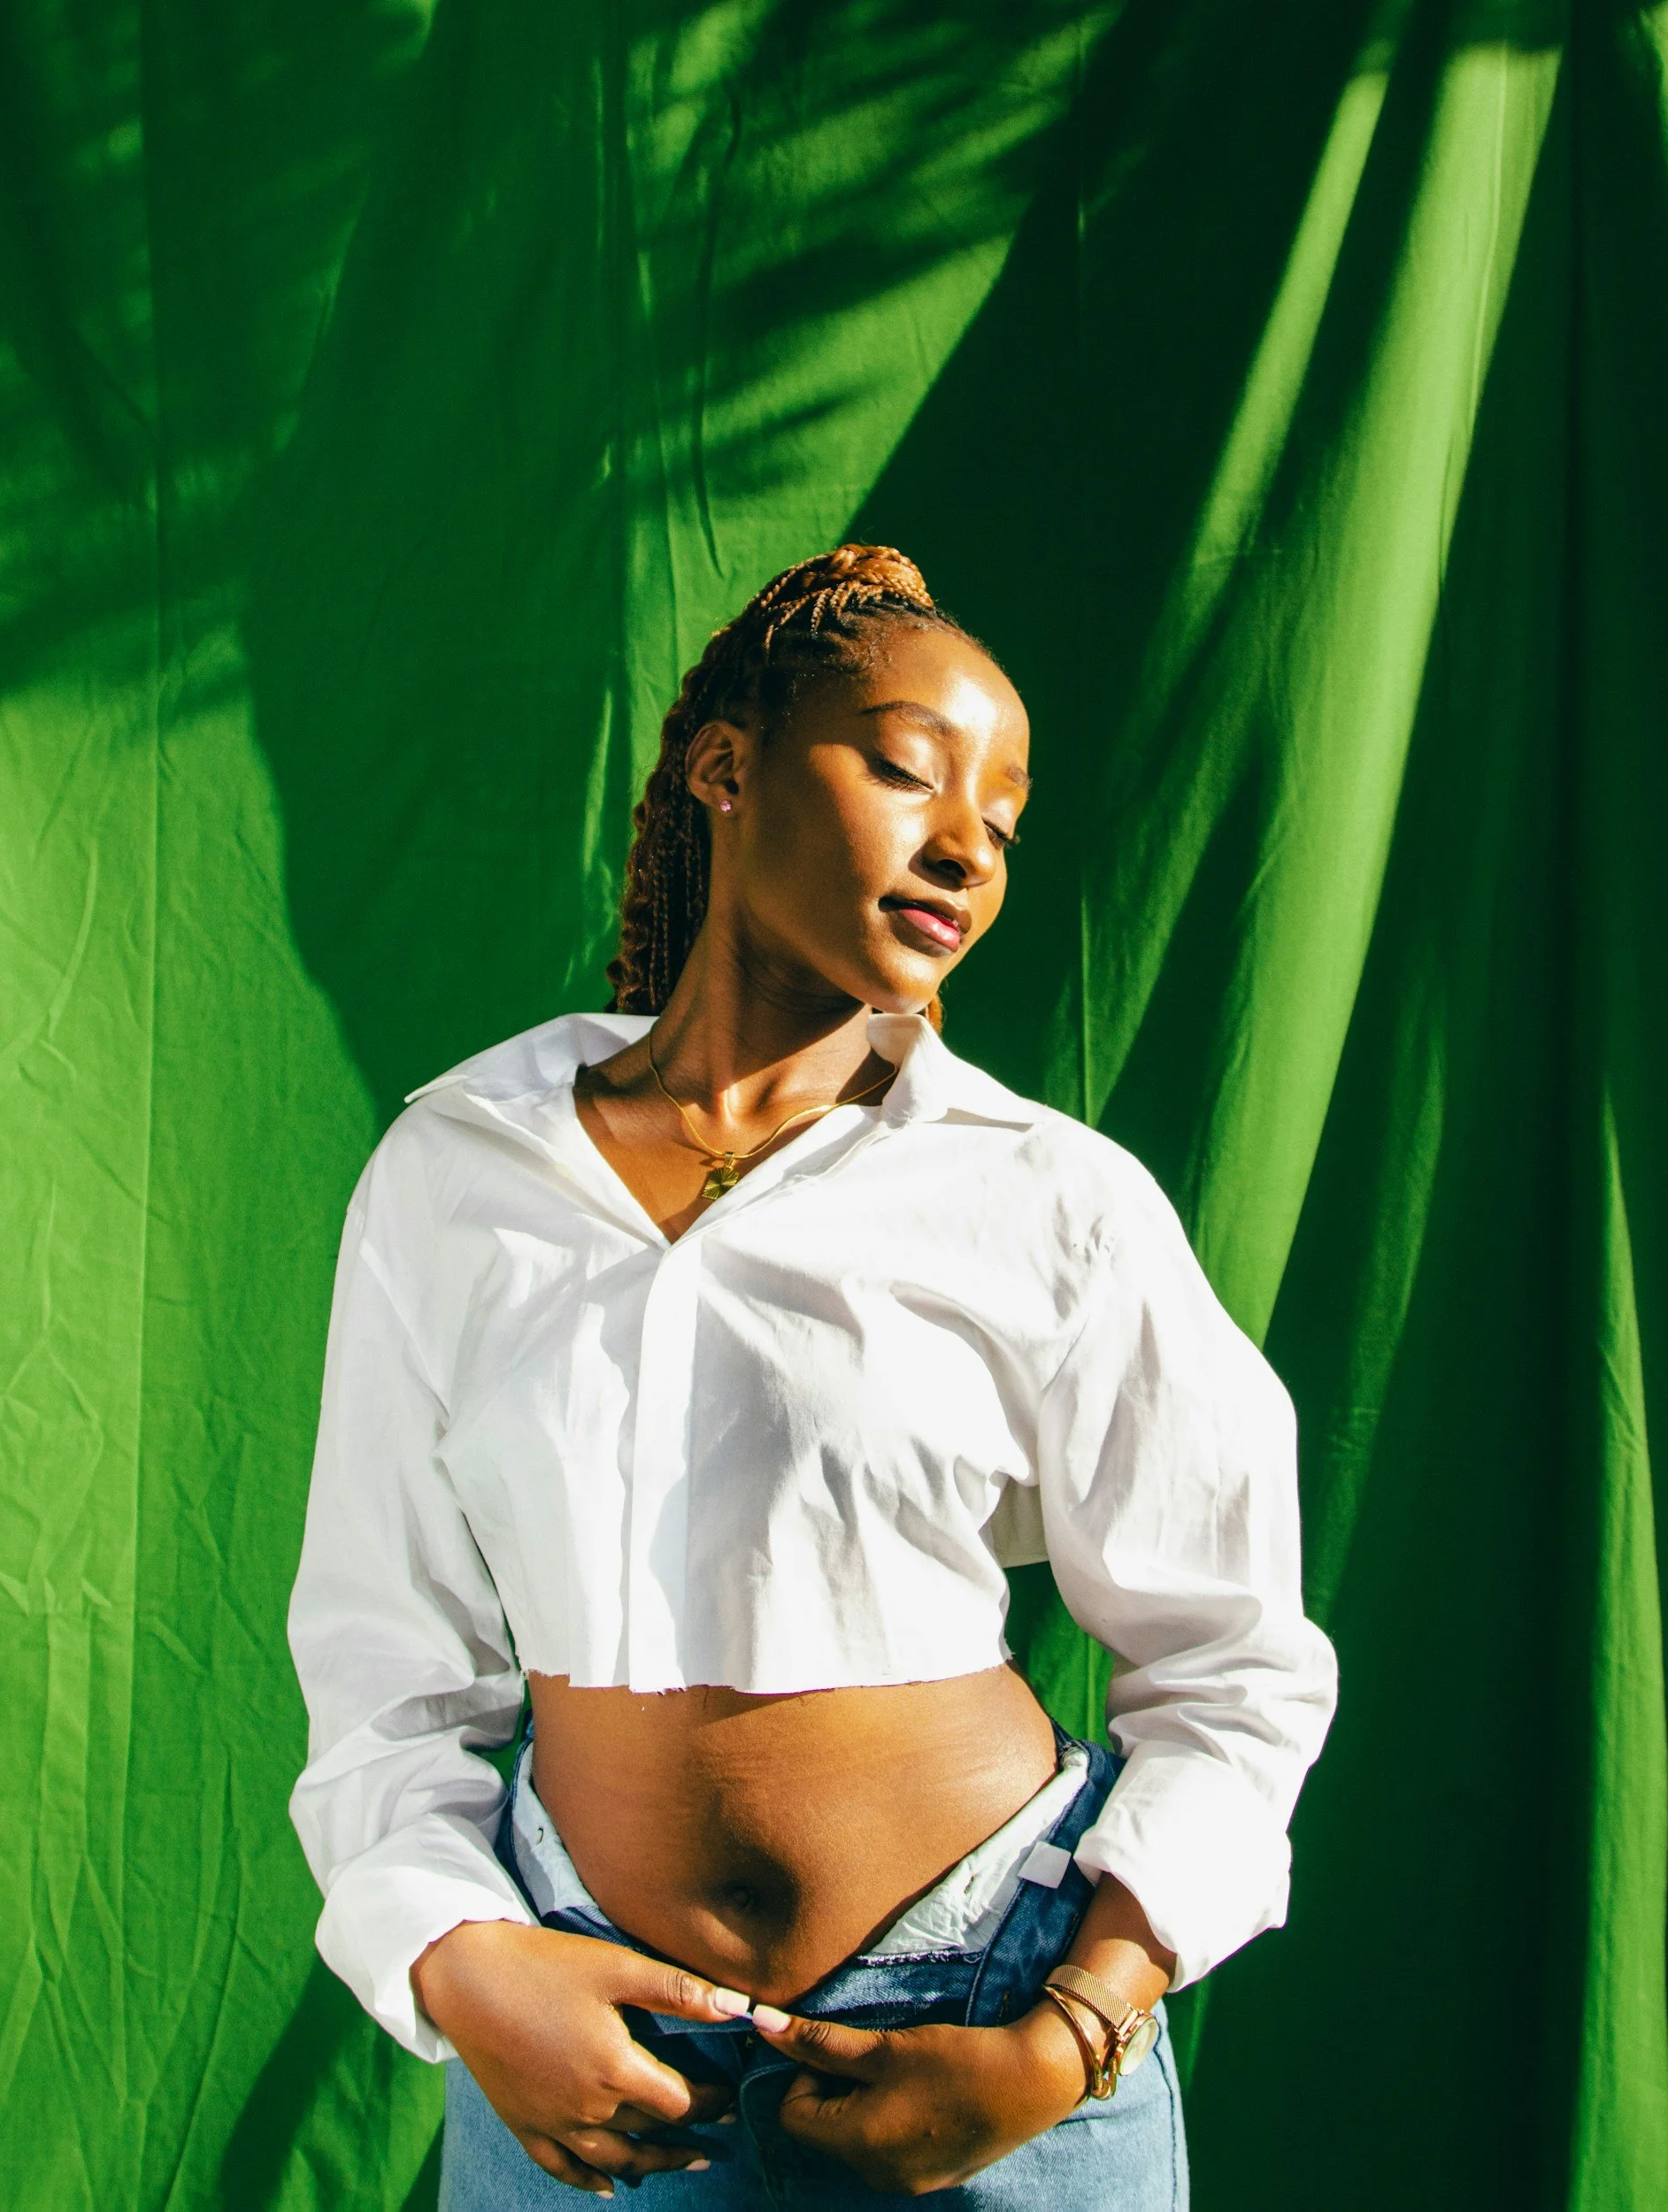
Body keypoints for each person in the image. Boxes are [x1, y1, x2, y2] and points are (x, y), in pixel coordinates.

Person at [286, 545, 1338, 2208]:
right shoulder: (457, 1171)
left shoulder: (1049, 1199)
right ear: (726, 767)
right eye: (911, 770)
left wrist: (1070, 2032)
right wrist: (462, 1962)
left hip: (989, 2046)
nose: (966, 845)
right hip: (589, 2062)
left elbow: (1236, 1664)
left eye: (1004, 818)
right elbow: (383, 1668)